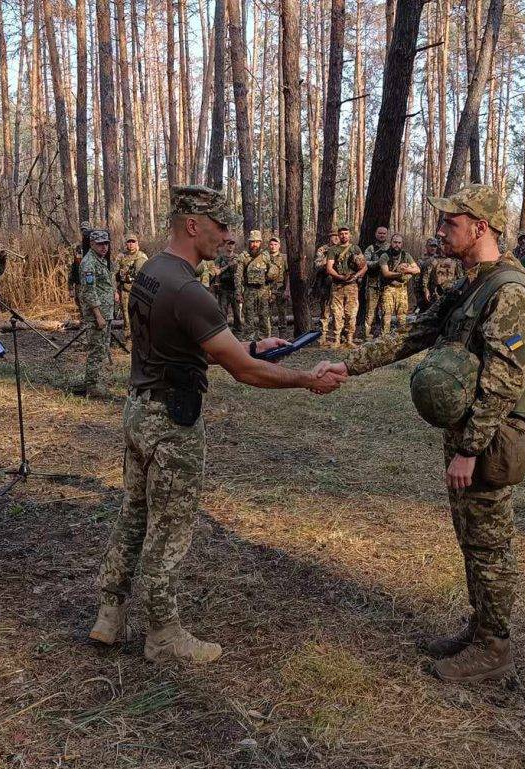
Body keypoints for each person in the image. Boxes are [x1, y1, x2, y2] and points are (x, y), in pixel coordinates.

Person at [88, 185, 345, 664]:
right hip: (172, 422)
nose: (229, 237)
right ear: (192, 225)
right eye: (222, 226)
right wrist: (305, 379)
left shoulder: (150, 272)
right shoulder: (189, 289)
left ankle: (110, 612)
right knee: (169, 528)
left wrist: (247, 345)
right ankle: (163, 634)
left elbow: (193, 345)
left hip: (140, 408)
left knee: (135, 513)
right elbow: (243, 374)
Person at [320, 184, 525, 683]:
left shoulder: (509, 292)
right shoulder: (472, 283)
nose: (441, 230)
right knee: (471, 537)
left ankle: (495, 648)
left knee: (489, 544)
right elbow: (414, 333)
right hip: (468, 436)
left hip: (488, 439)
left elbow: (505, 382)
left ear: (480, 227)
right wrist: (347, 365)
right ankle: (481, 626)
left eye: (450, 223)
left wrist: (468, 450)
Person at [76, 230, 116, 397]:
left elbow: (104, 284)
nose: (104, 247)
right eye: (100, 244)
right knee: (96, 350)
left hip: (106, 312)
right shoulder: (89, 263)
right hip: (97, 315)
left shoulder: (100, 260)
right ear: (92, 244)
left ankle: (97, 381)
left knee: (103, 348)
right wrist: (98, 315)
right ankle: (93, 387)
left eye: (106, 243)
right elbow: (88, 291)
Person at [325, 226, 366, 347]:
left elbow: (364, 266)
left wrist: (356, 276)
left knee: (351, 313)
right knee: (337, 313)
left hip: (352, 286)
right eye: (341, 234)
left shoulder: (355, 248)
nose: (344, 236)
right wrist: (340, 277)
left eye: (346, 233)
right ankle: (337, 339)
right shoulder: (333, 250)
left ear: (350, 235)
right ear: (338, 235)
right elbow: (329, 268)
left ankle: (349, 339)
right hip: (337, 285)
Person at [377, 233, 419, 335]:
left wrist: (407, 269)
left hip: (402, 289)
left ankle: (400, 341)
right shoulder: (385, 255)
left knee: (402, 317)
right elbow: (386, 273)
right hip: (389, 288)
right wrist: (401, 273)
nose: (397, 245)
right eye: (395, 242)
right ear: (391, 243)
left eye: (399, 243)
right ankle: (384, 339)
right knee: (386, 316)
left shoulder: (406, 255)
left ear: (402, 244)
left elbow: (417, 270)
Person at [237, 230, 275, 338]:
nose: (255, 244)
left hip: (263, 290)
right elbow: (238, 276)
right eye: (252, 242)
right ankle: (249, 340)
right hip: (249, 291)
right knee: (248, 316)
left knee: (264, 316)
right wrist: (238, 293)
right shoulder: (243, 256)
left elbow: (272, 273)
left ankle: (265, 340)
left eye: (257, 242)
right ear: (249, 243)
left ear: (261, 242)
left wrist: (272, 292)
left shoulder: (266, 256)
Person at [360, 225, 390, 339]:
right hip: (373, 284)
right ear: (376, 234)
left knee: (386, 311)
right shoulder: (370, 249)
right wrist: (379, 263)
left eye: (384, 233)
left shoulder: (390, 248)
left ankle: (384, 336)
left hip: (386, 285)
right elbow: (366, 263)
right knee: (370, 311)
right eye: (380, 233)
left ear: (387, 235)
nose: (382, 235)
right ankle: (367, 335)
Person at [116, 234, 149, 335]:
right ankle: (128, 339)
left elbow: (147, 275)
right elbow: (114, 273)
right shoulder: (121, 256)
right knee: (126, 315)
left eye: (133, 242)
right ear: (126, 243)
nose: (131, 244)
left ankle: (141, 338)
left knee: (140, 315)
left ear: (137, 243)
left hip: (139, 292)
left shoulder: (142, 256)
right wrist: (115, 291)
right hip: (125, 290)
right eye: (129, 242)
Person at [212, 236, 241, 327]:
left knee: (236, 312)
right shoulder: (220, 258)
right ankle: (224, 329)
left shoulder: (238, 257)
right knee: (223, 311)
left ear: (235, 246)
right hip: (224, 288)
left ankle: (238, 329)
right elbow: (216, 272)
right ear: (225, 245)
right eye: (228, 244)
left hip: (235, 288)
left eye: (232, 244)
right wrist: (228, 266)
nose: (230, 246)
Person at [313, 232, 340, 329]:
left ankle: (337, 326)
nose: (336, 238)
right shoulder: (323, 249)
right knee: (325, 303)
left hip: (339, 280)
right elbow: (317, 265)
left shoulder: (343, 248)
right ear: (330, 237)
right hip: (326, 279)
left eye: (338, 235)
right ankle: (324, 326)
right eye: (334, 236)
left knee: (338, 304)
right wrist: (326, 262)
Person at [268, 236, 290, 337]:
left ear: (279, 246)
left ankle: (283, 338)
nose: (273, 247)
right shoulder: (265, 257)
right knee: (267, 315)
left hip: (281, 288)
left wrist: (287, 290)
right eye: (271, 244)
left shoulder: (284, 257)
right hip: (267, 289)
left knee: (282, 314)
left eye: (275, 244)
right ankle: (268, 336)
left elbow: (288, 274)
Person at [412, 238, 438, 313]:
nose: (433, 248)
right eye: (431, 246)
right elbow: (416, 280)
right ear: (426, 246)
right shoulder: (421, 261)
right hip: (423, 293)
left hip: (435, 292)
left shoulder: (439, 259)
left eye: (435, 246)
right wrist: (419, 296)